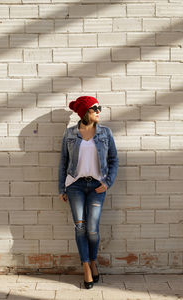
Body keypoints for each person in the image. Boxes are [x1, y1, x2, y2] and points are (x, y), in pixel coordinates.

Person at [58, 96, 119, 289]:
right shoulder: (70, 134)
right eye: (95, 108)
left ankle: (93, 260)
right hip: (74, 185)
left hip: (96, 186)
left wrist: (107, 183)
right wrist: (62, 188)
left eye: (99, 107)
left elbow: (114, 160)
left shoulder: (105, 133)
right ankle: (85, 265)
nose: (99, 111)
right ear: (85, 112)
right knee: (80, 227)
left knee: (92, 229)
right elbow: (63, 163)